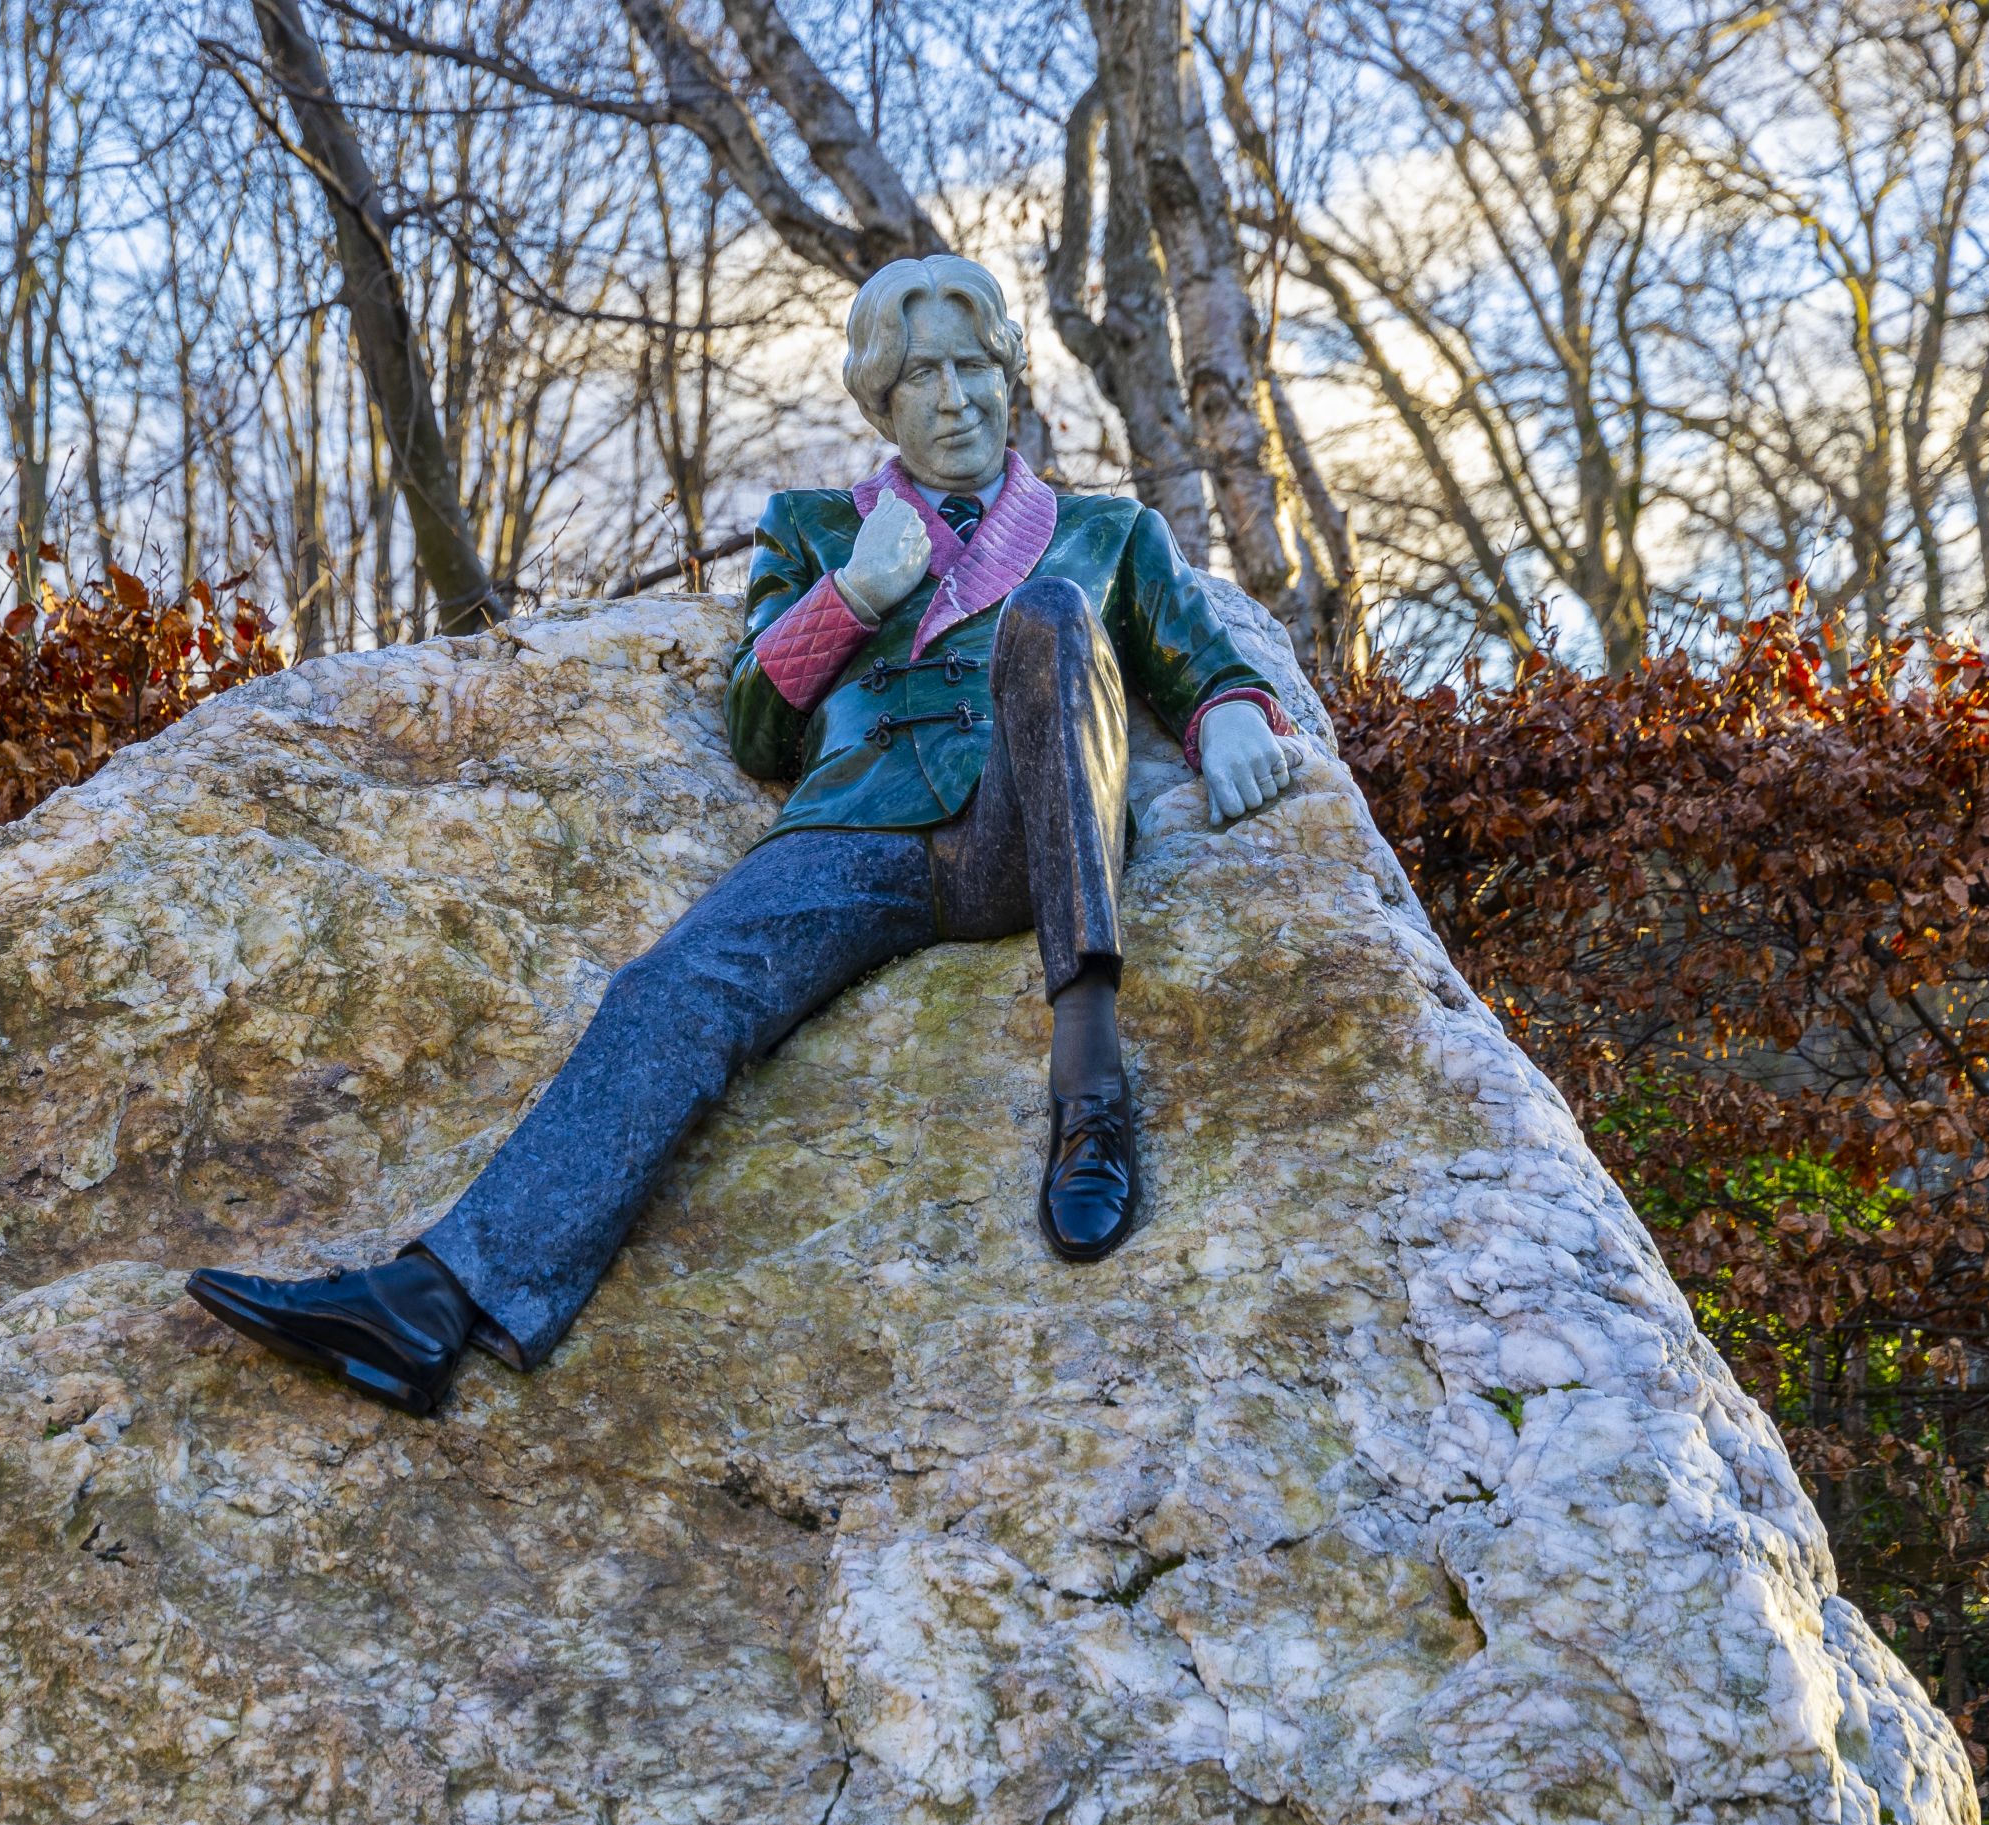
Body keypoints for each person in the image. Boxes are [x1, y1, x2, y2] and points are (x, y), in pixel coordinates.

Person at [187, 253, 1302, 1416]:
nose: (955, 398)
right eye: (922, 376)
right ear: (880, 402)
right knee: (673, 985)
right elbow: (759, 728)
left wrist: (1228, 715)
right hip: (858, 829)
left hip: (1029, 823)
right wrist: (855, 594)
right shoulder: (813, 527)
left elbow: (1201, 658)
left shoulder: (1108, 530)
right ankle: (431, 1304)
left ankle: (1090, 1091)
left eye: (974, 368)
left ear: (1010, 375)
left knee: (1056, 612)